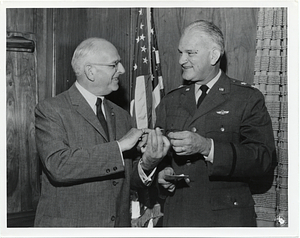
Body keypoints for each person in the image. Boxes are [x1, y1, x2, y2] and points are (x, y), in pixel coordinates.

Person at [34, 37, 170, 227]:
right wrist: (120, 146)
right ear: (90, 71)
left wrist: (148, 162)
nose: (121, 70)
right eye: (114, 64)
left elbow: (125, 178)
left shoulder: (122, 115)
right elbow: (58, 166)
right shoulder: (51, 110)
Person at [156, 20, 276, 227]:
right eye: (180, 52)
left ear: (214, 55)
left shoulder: (246, 98)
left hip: (226, 219)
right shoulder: (171, 100)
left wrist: (207, 147)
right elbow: (162, 155)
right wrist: (163, 172)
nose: (181, 60)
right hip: (178, 216)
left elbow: (263, 159)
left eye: (190, 53)